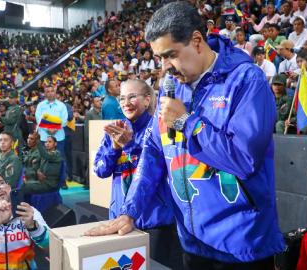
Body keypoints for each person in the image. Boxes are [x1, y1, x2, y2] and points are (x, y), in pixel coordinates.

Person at [86, 2, 285, 269]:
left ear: (197, 40)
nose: (165, 67)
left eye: (170, 55)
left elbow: (244, 160)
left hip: (241, 245)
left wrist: (185, 121)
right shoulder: (173, 90)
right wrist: (130, 211)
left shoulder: (247, 81)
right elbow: (152, 157)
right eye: (159, 58)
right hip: (191, 243)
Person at [93, 79, 181, 269]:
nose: (126, 102)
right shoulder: (116, 128)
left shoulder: (159, 129)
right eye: (122, 98)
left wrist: (129, 146)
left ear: (147, 100)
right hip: (120, 221)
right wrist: (114, 149)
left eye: (132, 96)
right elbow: (99, 170)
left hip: (155, 222)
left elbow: (160, 168)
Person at [35, 86, 68, 156]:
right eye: (48, 92)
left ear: (55, 92)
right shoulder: (40, 106)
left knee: (59, 160)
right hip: (44, 138)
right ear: (45, 94)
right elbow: (39, 119)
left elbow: (64, 120)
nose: (50, 93)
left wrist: (55, 129)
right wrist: (47, 129)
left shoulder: (62, 106)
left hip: (59, 138)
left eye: (52, 91)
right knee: (44, 160)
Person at [0, 91, 23, 157]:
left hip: (15, 133)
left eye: (12, 98)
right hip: (9, 133)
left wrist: (0, 118)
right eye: (9, 98)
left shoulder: (17, 109)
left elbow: (11, 120)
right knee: (8, 153)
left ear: (16, 99)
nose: (10, 99)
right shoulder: (10, 108)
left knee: (15, 154)